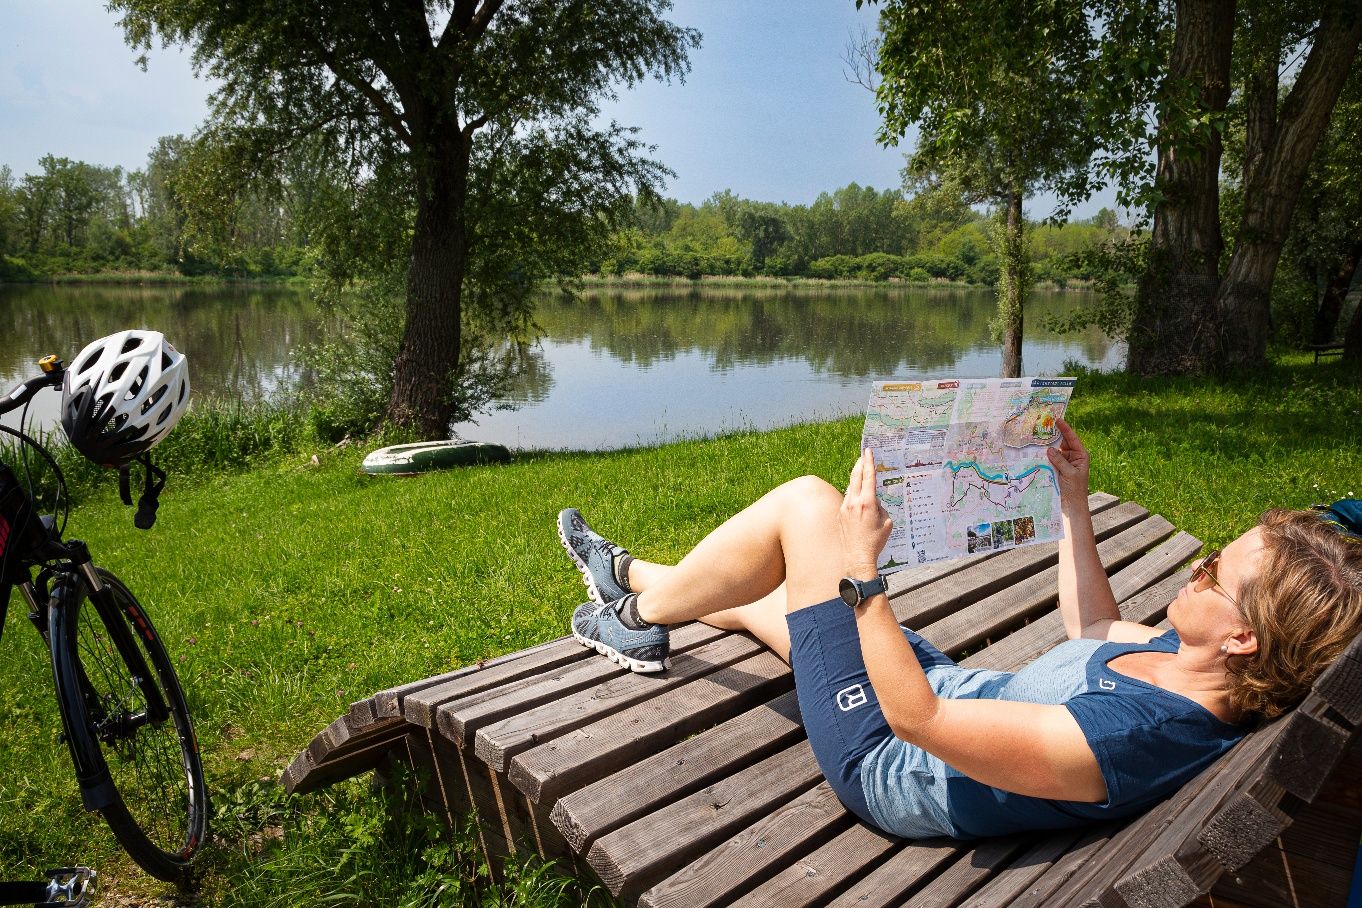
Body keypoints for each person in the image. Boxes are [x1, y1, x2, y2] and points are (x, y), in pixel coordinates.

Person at [557, 419, 1362, 839]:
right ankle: (633, 577)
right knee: (779, 603)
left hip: (893, 750)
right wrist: (1074, 499)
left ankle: (636, 618)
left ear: (1244, 639)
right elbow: (1095, 629)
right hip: (957, 698)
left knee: (806, 505)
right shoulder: (1195, 671)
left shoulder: (1135, 735)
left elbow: (921, 723)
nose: (1200, 566)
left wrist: (867, 582)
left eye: (1217, 573)